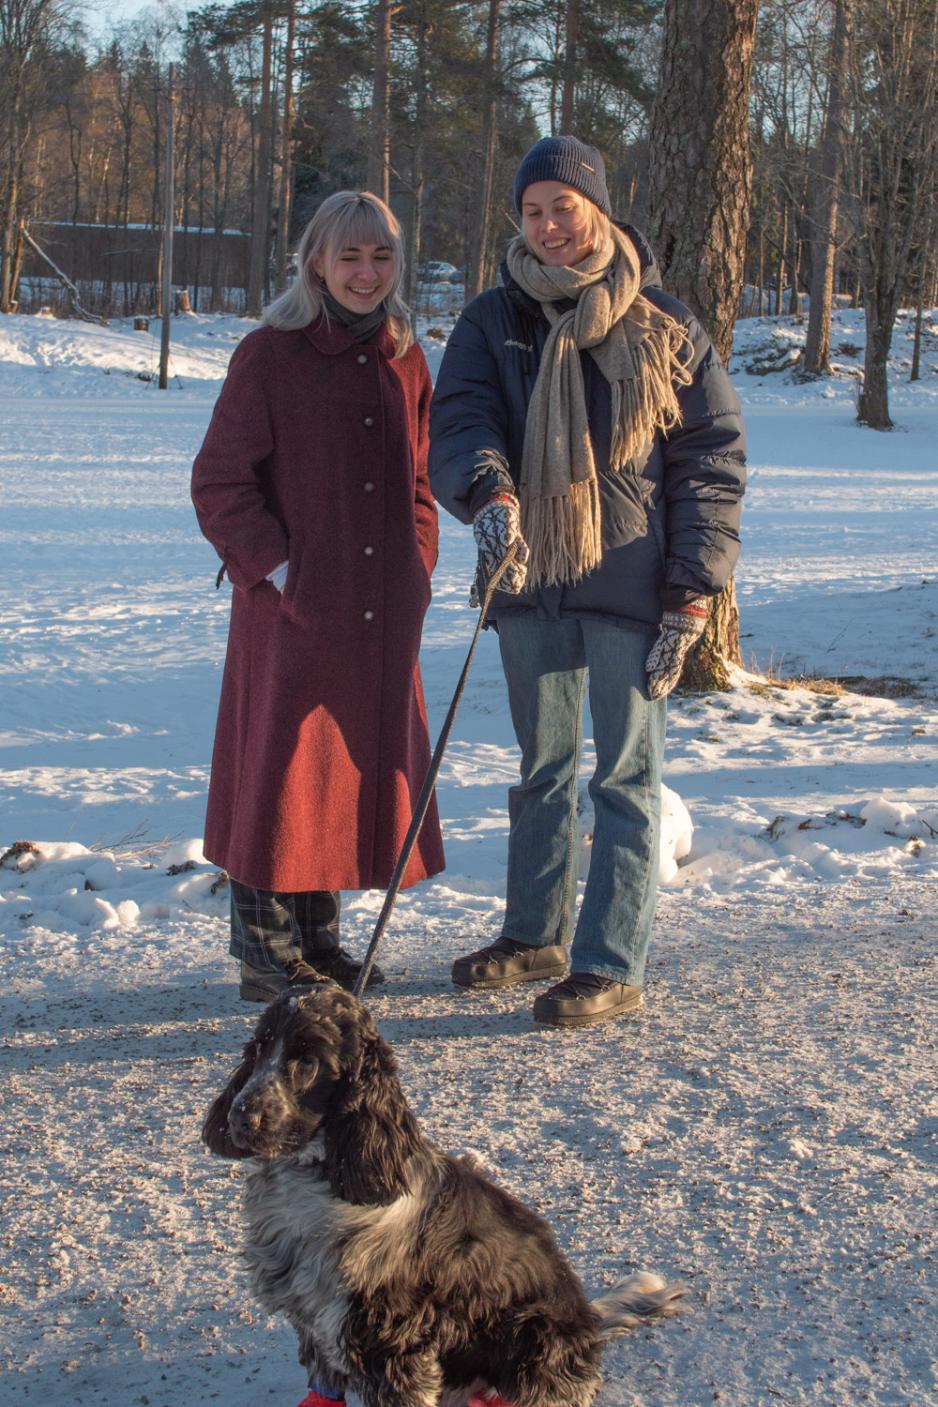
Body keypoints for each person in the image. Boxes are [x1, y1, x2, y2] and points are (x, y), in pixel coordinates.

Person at [429, 135, 745, 1028]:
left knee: (625, 778)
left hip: (633, 584)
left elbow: (710, 463)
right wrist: (489, 492)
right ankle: (535, 935)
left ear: (597, 209)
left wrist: (692, 588)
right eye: (532, 211)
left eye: (562, 207)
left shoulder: (665, 323)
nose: (548, 226)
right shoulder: (492, 318)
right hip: (528, 574)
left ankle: (611, 961)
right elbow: (460, 419)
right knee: (543, 768)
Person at [192, 190, 444, 1004]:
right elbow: (219, 482)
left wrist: (417, 566)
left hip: (381, 612)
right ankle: (266, 953)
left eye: (381, 256)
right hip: (290, 613)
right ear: (315, 264)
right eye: (350, 257)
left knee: (333, 778)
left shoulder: (406, 358)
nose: (366, 273)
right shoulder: (269, 355)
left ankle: (319, 942)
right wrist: (278, 571)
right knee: (278, 773)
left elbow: (420, 483)